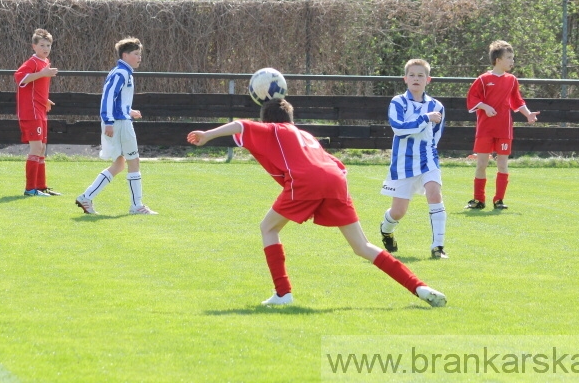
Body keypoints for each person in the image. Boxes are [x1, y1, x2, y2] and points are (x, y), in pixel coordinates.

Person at [186, 98, 446, 308]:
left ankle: (282, 293)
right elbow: (335, 164)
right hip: (335, 179)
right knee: (362, 246)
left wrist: (207, 135)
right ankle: (419, 286)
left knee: (268, 228)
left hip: (307, 181)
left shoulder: (275, 129)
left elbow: (241, 125)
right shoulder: (304, 134)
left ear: (268, 121)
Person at [76, 37, 156, 216]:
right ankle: (137, 206)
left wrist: (129, 111)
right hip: (120, 124)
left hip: (121, 120)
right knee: (133, 161)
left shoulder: (123, 72)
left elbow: (118, 100)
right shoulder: (121, 73)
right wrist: (109, 121)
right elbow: (107, 97)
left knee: (120, 164)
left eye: (140, 54)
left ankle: (86, 197)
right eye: (136, 54)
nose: (139, 58)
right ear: (125, 55)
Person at [379, 59, 447, 259]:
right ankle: (386, 229)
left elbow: (436, 135)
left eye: (421, 75)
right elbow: (399, 129)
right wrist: (425, 118)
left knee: (434, 195)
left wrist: (431, 152)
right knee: (398, 212)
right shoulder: (398, 102)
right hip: (403, 162)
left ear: (428, 80)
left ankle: (438, 247)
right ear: (405, 79)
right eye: (412, 75)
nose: (416, 78)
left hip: (428, 158)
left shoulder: (437, 105)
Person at [465, 40, 539, 210]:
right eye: (509, 58)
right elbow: (472, 99)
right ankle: (478, 200)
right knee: (482, 164)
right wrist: (485, 106)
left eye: (513, 58)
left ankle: (499, 200)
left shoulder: (512, 80)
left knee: (503, 164)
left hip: (504, 130)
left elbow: (517, 100)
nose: (512, 61)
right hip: (485, 129)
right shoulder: (483, 79)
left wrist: (528, 114)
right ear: (498, 59)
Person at [14, 28, 59, 197]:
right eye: (42, 45)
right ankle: (30, 189)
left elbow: (35, 88)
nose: (45, 48)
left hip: (40, 110)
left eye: (48, 45)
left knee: (42, 148)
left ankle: (40, 186)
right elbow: (19, 78)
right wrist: (42, 73)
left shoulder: (44, 62)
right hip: (30, 112)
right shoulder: (33, 63)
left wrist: (45, 100)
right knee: (36, 147)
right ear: (34, 46)